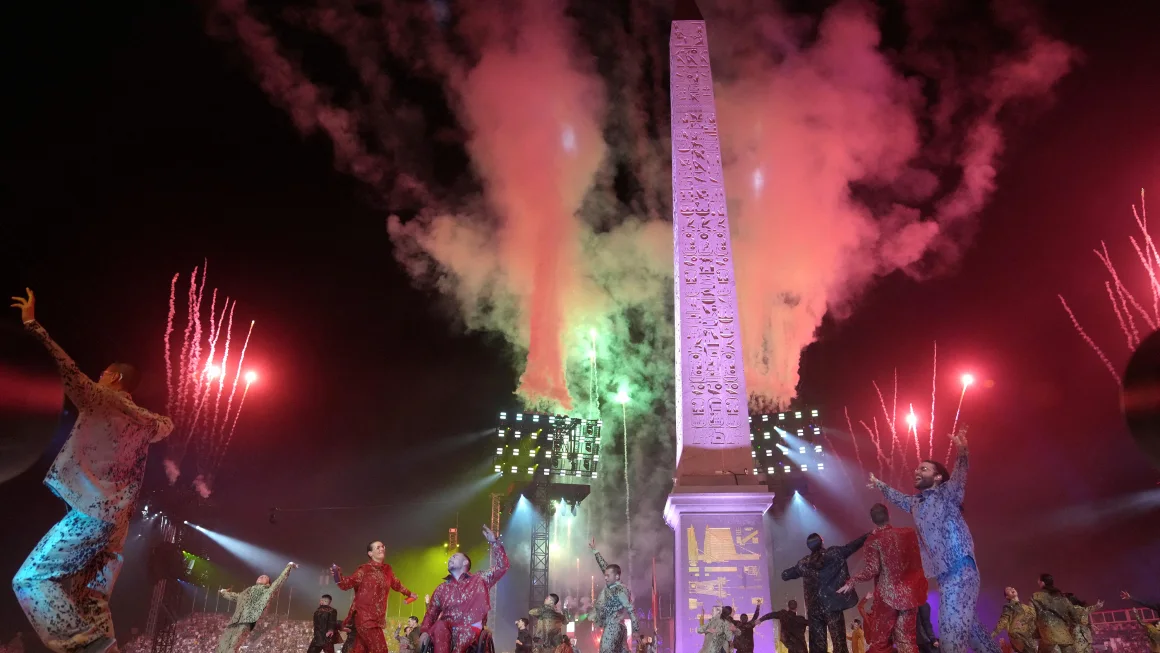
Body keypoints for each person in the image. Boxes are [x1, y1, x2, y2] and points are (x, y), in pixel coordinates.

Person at [10, 289, 174, 653]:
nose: (96, 378)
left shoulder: (103, 398)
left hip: (91, 514)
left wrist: (33, 326)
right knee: (89, 599)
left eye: (102, 374)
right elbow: (166, 426)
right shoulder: (147, 422)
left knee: (32, 579)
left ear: (114, 378)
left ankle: (83, 644)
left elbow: (66, 370)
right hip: (117, 524)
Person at [868, 428, 999, 653]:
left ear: (937, 477)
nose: (917, 470)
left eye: (924, 468)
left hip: (961, 569)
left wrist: (962, 450)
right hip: (945, 576)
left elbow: (960, 475)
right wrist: (880, 485)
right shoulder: (916, 503)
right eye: (917, 468)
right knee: (972, 632)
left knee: (950, 636)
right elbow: (897, 497)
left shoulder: (948, 493)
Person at [838, 504, 928, 653]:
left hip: (887, 597)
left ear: (872, 520)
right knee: (907, 640)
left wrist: (852, 581)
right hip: (910, 595)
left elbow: (872, 569)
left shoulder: (873, 540)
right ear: (889, 515)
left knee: (880, 641)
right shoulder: (909, 533)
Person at [419, 526, 509, 653]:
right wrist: (424, 632)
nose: (450, 558)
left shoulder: (479, 579)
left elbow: (502, 567)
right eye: (450, 557)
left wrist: (494, 543)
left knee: (465, 632)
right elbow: (431, 613)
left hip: (470, 627)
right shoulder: (442, 589)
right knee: (439, 626)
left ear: (465, 562)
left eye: (455, 557)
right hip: (446, 629)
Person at [781, 531, 869, 653]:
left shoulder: (804, 564)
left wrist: (791, 572)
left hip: (814, 610)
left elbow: (785, 575)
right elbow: (853, 546)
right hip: (833, 607)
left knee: (817, 646)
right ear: (822, 541)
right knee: (839, 644)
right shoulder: (834, 554)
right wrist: (869, 534)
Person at [332, 542, 418, 653]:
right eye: (378, 547)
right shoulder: (364, 570)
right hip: (365, 618)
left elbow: (397, 584)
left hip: (376, 619)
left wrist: (409, 594)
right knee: (381, 650)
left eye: (383, 546)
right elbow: (345, 584)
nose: (382, 549)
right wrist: (337, 576)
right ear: (370, 553)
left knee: (360, 650)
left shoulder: (388, 570)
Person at [217, 563, 297, 653]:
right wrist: (223, 592)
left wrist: (288, 567)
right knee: (223, 645)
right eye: (260, 576)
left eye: (264, 577)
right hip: (235, 620)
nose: (261, 577)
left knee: (233, 645)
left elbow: (279, 581)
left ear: (268, 583)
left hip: (247, 620)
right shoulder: (248, 590)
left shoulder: (267, 591)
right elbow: (236, 596)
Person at [587, 539, 640, 653]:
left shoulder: (620, 590)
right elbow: (604, 566)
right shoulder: (612, 586)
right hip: (618, 628)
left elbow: (631, 609)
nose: (605, 577)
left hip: (613, 627)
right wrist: (595, 551)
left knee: (605, 650)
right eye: (605, 575)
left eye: (608, 576)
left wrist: (636, 629)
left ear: (617, 576)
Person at [991, 588, 1037, 653]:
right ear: (1007, 597)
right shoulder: (1009, 606)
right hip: (1019, 636)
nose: (1011, 589)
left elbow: (1034, 617)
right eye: (1008, 590)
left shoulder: (1026, 607)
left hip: (1030, 637)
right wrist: (993, 634)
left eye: (1012, 588)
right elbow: (1003, 621)